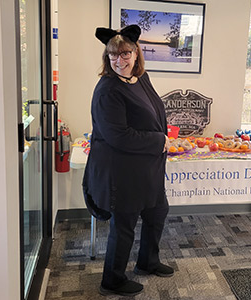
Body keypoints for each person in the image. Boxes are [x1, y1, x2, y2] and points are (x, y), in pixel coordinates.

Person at [82, 24, 173, 297]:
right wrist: (159, 141)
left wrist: (161, 140)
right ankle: (112, 280)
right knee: (124, 226)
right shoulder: (107, 90)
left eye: (125, 54)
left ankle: (148, 261)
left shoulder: (140, 79)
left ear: (136, 54)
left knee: (157, 212)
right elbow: (119, 136)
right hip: (121, 170)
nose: (119, 61)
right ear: (107, 58)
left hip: (148, 167)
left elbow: (154, 113)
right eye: (113, 56)